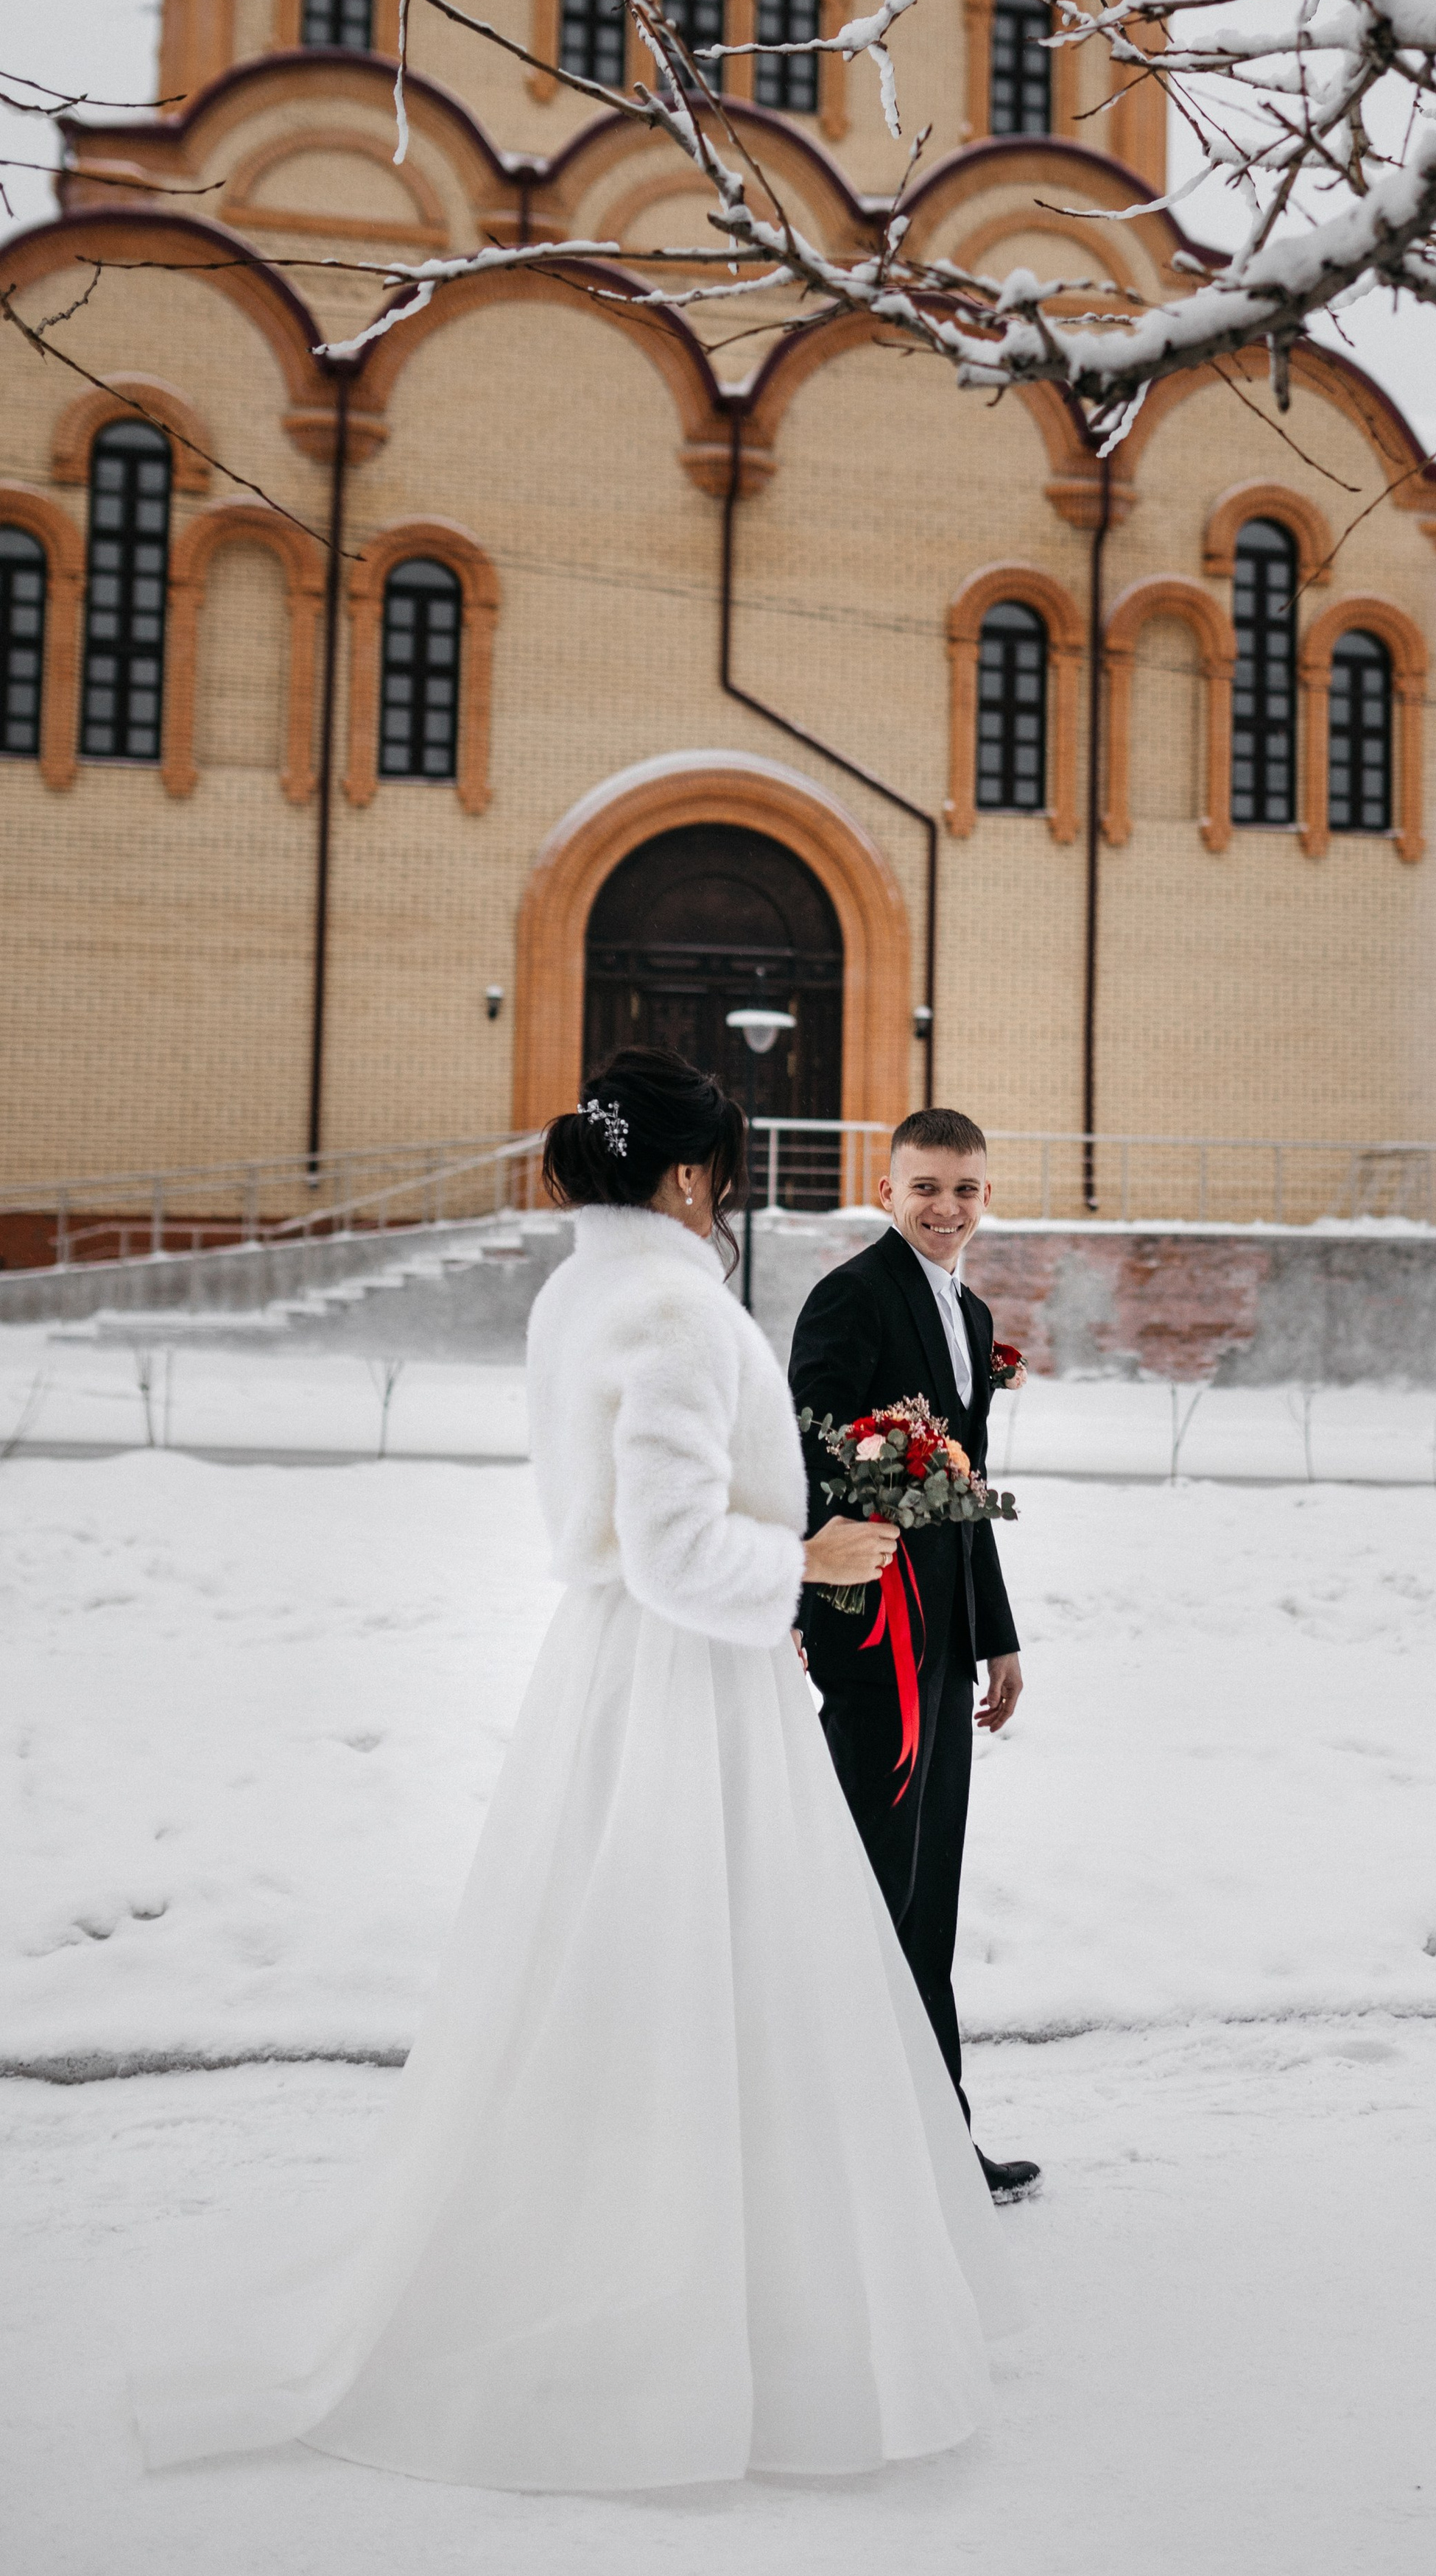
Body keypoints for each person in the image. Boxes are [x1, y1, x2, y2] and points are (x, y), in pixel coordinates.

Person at [133, 1048, 1020, 2491]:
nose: (727, 1193)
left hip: (626, 1670)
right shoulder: (671, 1304)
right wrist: (798, 1558)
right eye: (722, 1167)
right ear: (686, 1175)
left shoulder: (585, 1286)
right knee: (698, 1968)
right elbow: (671, 1544)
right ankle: (697, 2302)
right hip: (682, 1681)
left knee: (632, 1970)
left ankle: (667, 2248)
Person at [789, 1107, 1040, 2204]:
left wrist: (998, 1635)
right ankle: (836, 2143)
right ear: (883, 1189)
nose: (948, 1208)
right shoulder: (848, 1297)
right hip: (869, 1639)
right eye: (927, 1186)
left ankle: (937, 2142)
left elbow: (966, 1494)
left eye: (967, 1189)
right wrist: (808, 1588)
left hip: (943, 1647)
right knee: (867, 1890)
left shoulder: (973, 1310)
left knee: (927, 1896)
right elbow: (803, 1445)